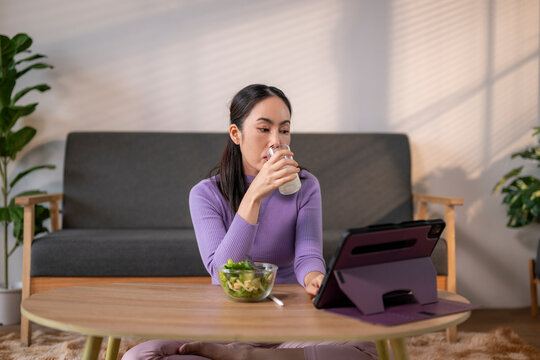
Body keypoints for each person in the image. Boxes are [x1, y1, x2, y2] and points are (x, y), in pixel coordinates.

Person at [122, 84, 378, 360]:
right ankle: (243, 353)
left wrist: (315, 278)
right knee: (140, 356)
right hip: (228, 320)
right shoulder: (205, 194)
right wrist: (254, 195)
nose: (275, 141)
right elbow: (222, 273)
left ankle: (247, 357)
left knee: (366, 349)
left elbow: (308, 254)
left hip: (288, 321)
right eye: (264, 129)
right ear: (236, 134)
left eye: (284, 129)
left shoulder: (305, 185)